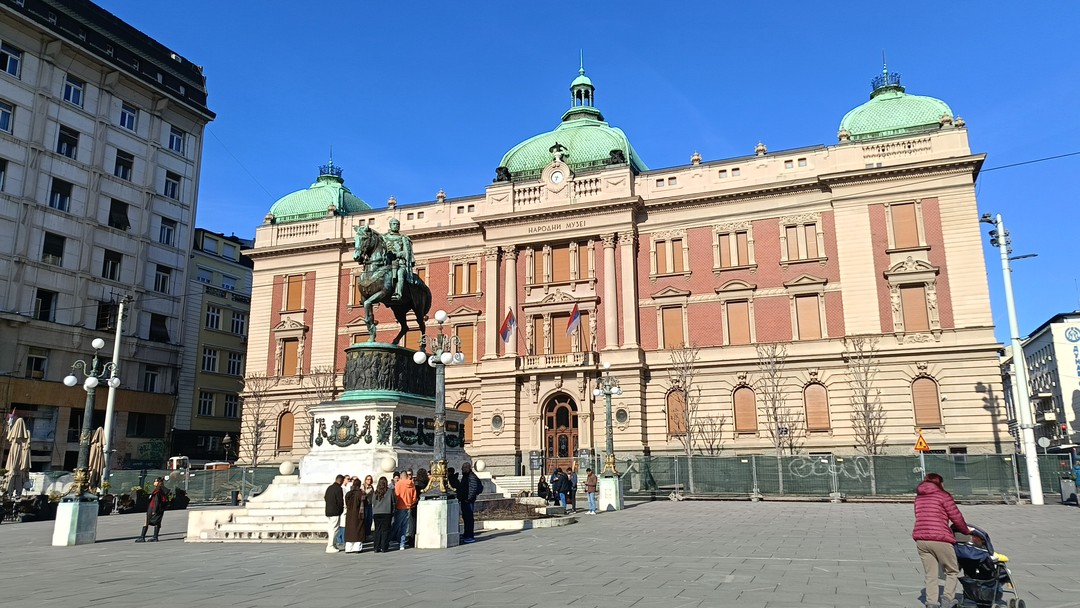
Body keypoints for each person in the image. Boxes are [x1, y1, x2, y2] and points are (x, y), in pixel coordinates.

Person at [913, 473, 971, 608]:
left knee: (931, 574)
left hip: (921, 539)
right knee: (952, 570)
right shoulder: (943, 496)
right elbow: (956, 517)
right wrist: (966, 531)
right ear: (939, 483)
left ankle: (931, 602)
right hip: (940, 538)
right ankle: (948, 599)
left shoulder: (919, 498)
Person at [382, 218, 414, 300]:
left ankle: (398, 294)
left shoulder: (403, 238)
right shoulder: (384, 238)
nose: (396, 226)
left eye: (397, 224)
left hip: (400, 263)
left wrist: (398, 254)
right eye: (394, 224)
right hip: (387, 263)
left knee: (400, 274)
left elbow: (407, 252)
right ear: (390, 225)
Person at [457, 461, 484, 544]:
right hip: (465, 500)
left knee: (468, 518)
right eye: (462, 468)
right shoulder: (466, 476)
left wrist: (468, 498)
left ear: (469, 468)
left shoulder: (471, 477)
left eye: (464, 468)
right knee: (466, 517)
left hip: (468, 501)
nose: (463, 469)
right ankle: (466, 534)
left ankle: (469, 536)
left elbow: (473, 488)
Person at [135, 477, 168, 542]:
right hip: (159, 508)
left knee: (146, 522)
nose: (154, 482)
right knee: (157, 522)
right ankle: (155, 536)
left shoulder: (157, 491)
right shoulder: (162, 490)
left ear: (158, 483)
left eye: (155, 481)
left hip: (152, 508)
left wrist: (154, 511)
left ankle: (142, 537)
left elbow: (156, 501)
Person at [393, 469, 417, 550]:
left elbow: (396, 495)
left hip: (400, 506)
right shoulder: (412, 484)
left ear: (401, 476)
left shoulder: (398, 484)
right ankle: (402, 544)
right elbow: (414, 497)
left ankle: (387, 541)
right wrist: (410, 503)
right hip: (408, 507)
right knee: (404, 527)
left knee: (396, 525)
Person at [343, 477, 367, 554]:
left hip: (350, 514)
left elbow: (346, 503)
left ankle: (348, 548)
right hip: (358, 514)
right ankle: (357, 547)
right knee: (358, 530)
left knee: (350, 531)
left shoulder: (348, 494)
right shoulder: (361, 494)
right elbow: (365, 502)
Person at [370, 477, 394, 552]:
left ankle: (376, 547)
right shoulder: (389, 491)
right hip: (386, 512)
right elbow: (393, 501)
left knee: (377, 530)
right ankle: (384, 547)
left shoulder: (375, 492)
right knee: (385, 530)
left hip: (377, 513)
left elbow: (373, 502)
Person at [324, 474, 345, 553]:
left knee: (331, 528)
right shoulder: (338, 489)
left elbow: (325, 497)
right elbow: (340, 501)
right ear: (341, 481)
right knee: (334, 529)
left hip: (328, 510)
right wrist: (340, 510)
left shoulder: (329, 488)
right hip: (335, 511)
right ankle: (330, 546)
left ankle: (333, 544)